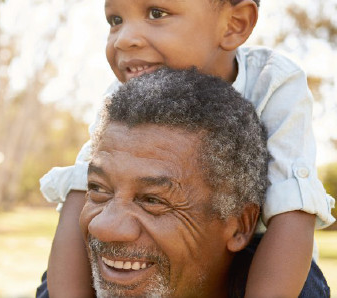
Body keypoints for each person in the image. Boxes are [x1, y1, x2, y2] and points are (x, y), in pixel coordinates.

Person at [40, 0, 336, 296]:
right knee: (56, 280)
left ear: (235, 23)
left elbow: (293, 207)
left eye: (157, 14)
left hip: (263, 260)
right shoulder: (122, 96)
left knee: (304, 283)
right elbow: (79, 192)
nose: (124, 38)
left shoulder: (272, 81)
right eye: (115, 20)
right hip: (147, 263)